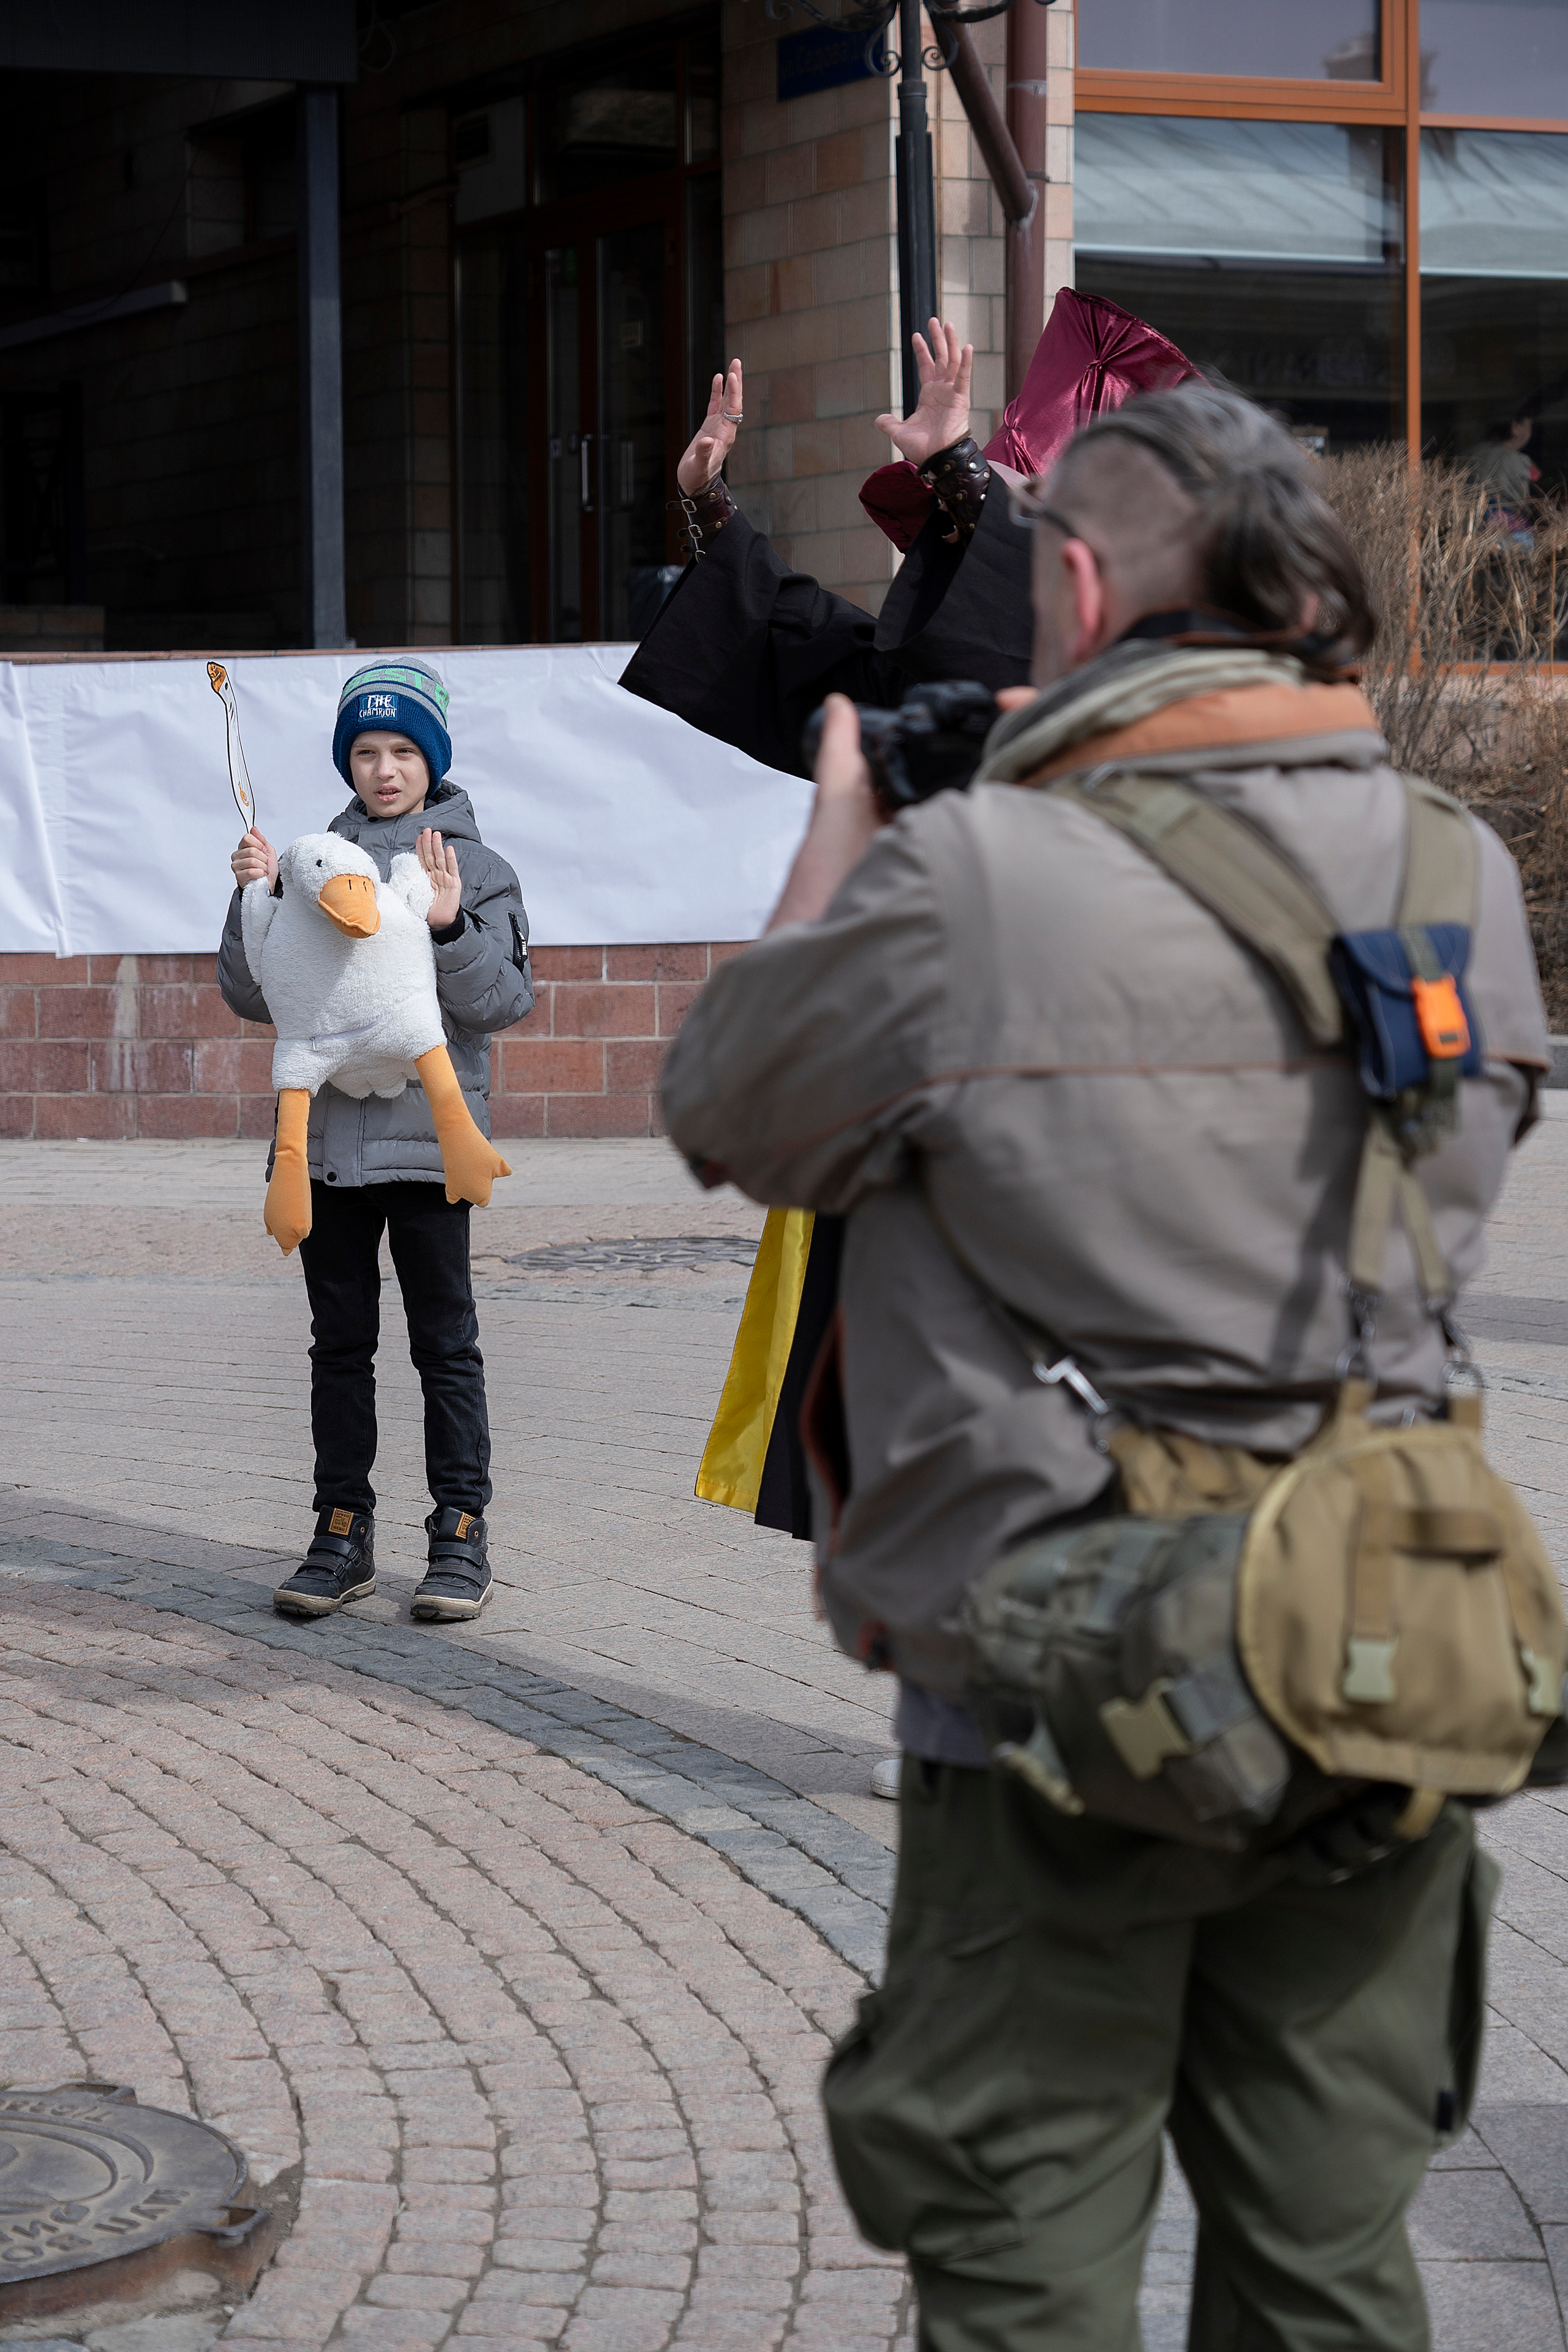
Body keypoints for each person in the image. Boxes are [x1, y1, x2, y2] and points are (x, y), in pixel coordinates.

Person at [659, 383, 1551, 2348]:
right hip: (1389, 1644)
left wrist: (845, 827)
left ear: (1072, 583)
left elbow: (728, 1111)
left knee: (1024, 2254)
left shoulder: (979, 877)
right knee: (1331, 2265)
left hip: (1059, 1672)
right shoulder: (1453, 865)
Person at [217, 658, 534, 1625]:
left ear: (432, 759)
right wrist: (252, 899)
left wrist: (447, 929)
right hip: (326, 1154)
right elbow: (248, 992)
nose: (384, 768)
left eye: (403, 750)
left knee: (446, 1344)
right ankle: (341, 1530)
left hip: (431, 1147)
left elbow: (505, 999)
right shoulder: (312, 857)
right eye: (366, 750)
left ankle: (461, 1534)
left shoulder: (476, 869)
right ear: (346, 760)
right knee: (339, 1345)